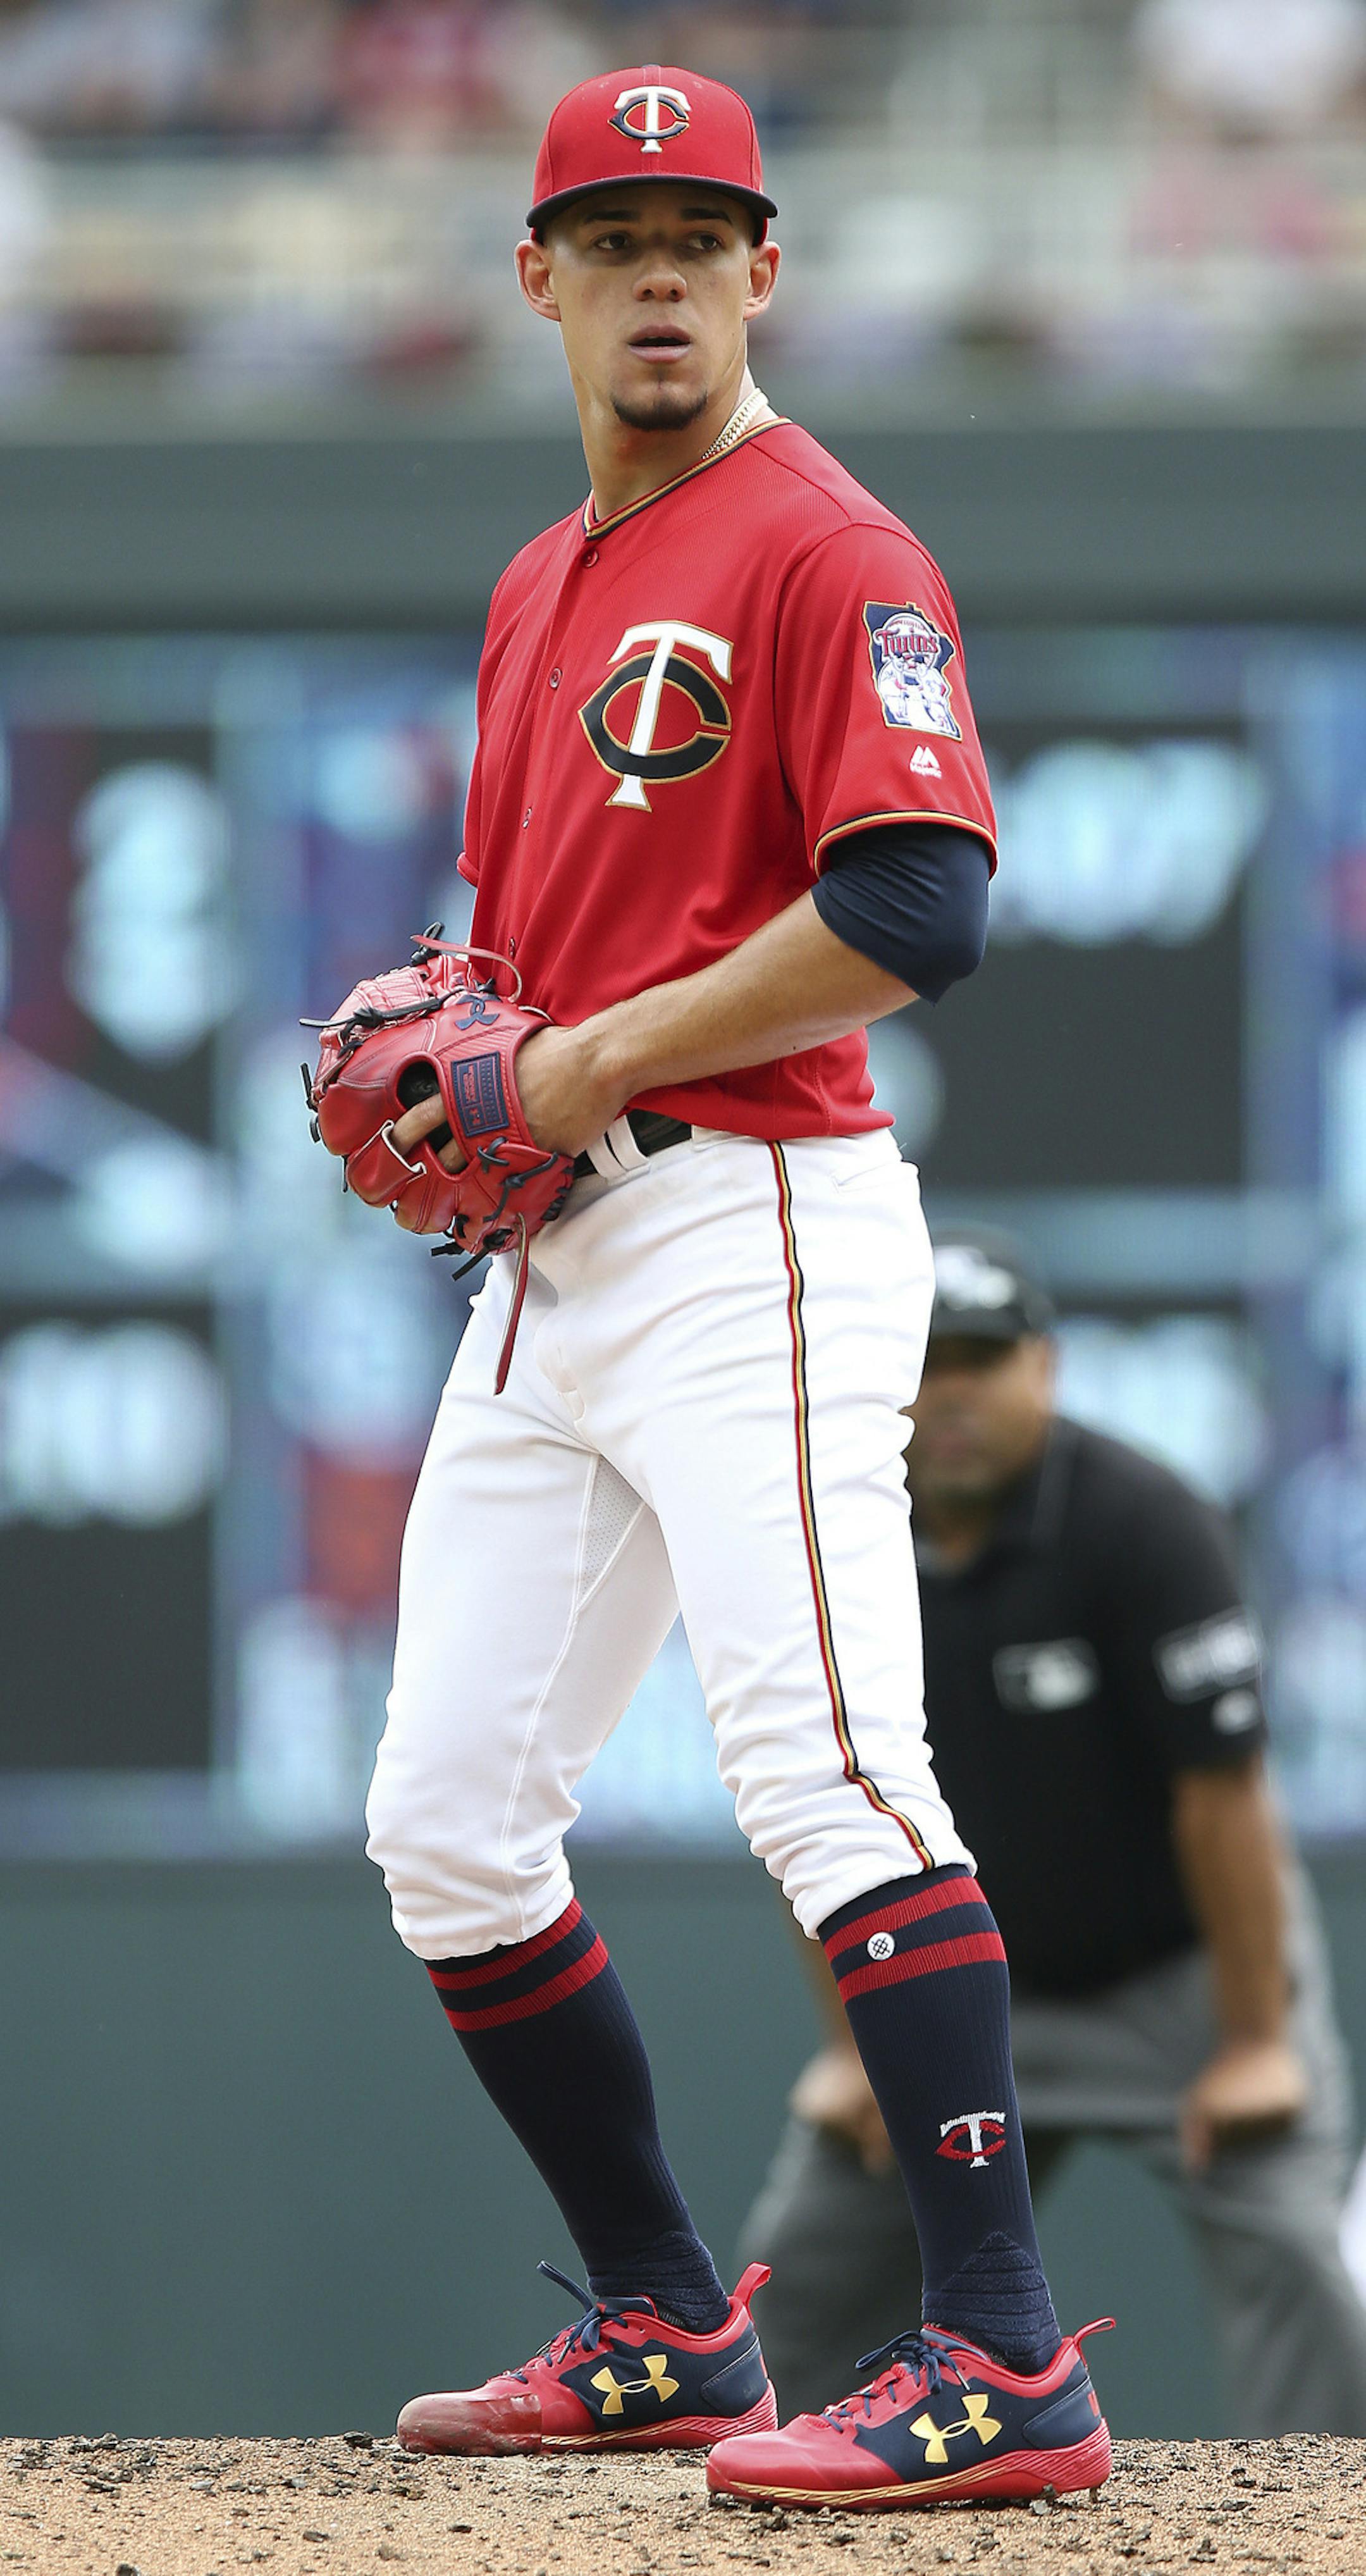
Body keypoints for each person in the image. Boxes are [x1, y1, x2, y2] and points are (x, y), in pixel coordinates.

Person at [354, 64, 1113, 2508]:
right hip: (561, 1251)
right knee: (452, 1819)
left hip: (757, 1212)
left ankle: (1006, 2358)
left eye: (705, 234)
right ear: (543, 278)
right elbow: (537, 950)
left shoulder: (826, 547)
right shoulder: (537, 580)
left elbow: (917, 910)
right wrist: (482, 1043)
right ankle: (676, 2320)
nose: (662, 273)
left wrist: (567, 1068)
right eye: (618, 234)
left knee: (830, 1769)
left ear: (767, 274)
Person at [741, 1230, 1366, 2437]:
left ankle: (1331, 2528)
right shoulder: (837, 1543)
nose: (954, 1394)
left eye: (985, 1359)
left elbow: (1225, 1796)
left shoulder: (1145, 1521)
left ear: (1050, 1369)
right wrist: (851, 2041)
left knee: (1296, 2257)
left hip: (1180, 1982)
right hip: (962, 1985)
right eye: (928, 1363)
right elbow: (809, 1800)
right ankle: (737, 2493)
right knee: (802, 2264)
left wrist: (1254, 2038)